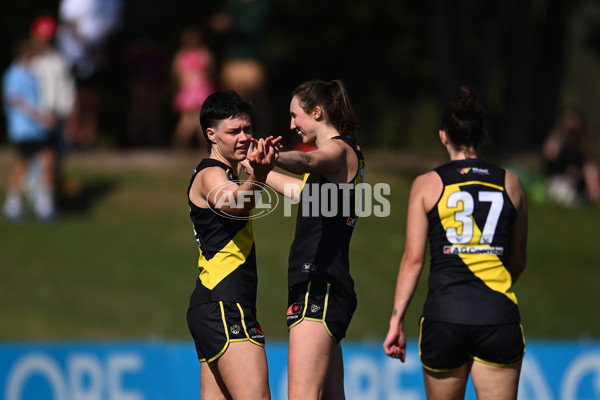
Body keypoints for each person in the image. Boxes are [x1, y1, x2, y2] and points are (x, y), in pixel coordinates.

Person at [383, 87, 528, 400]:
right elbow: (518, 257)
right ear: (484, 135)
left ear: (442, 136)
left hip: (444, 317)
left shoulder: (426, 184)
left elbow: (413, 260)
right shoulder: (511, 183)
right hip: (497, 316)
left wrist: (397, 321)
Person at [245, 79, 365, 400]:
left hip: (318, 287)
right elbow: (301, 192)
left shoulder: (337, 150)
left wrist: (274, 157)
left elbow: (307, 161)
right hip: (327, 287)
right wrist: (256, 168)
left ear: (316, 111)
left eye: (295, 115)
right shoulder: (339, 159)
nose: (291, 124)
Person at [186, 90, 278, 400]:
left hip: (215, 305)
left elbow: (295, 189)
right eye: (234, 131)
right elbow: (237, 203)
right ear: (211, 135)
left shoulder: (232, 173)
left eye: (248, 129)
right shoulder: (211, 174)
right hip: (225, 305)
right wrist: (261, 174)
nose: (244, 137)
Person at [2, 38, 57, 223]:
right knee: (25, 162)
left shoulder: (32, 74)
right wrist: (39, 117)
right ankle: (16, 203)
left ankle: (41, 203)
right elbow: (17, 101)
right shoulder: (14, 74)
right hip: (24, 127)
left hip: (37, 128)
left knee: (45, 159)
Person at [29, 14, 76, 193]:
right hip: (34, 119)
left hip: (56, 118)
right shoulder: (29, 62)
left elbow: (67, 92)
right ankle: (33, 193)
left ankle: (48, 195)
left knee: (57, 157)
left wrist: (66, 115)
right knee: (35, 158)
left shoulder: (60, 61)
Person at [541, 107, 600, 206]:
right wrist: (562, 130)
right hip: (558, 181)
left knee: (591, 171)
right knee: (564, 192)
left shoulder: (581, 144)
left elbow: (590, 163)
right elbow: (550, 154)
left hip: (579, 184)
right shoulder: (557, 140)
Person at [171, 27, 216, 149]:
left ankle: (181, 144)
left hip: (188, 90)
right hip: (200, 89)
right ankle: (204, 145)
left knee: (188, 120)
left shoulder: (181, 56)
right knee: (200, 121)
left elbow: (176, 74)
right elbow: (210, 71)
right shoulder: (204, 54)